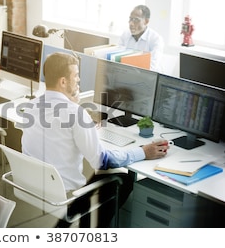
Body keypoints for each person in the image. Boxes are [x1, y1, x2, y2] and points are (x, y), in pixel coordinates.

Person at [19, 52, 170, 227]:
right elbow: (102, 161)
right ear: (63, 82)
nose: (79, 80)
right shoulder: (75, 113)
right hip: (65, 195)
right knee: (123, 178)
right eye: (75, 76)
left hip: (36, 188)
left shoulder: (30, 106)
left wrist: (77, 113)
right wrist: (143, 151)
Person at [119, 5, 164, 72]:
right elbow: (118, 59)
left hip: (150, 78)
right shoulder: (125, 35)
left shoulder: (156, 39)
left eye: (136, 20)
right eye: (130, 19)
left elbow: (152, 68)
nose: (131, 23)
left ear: (146, 21)